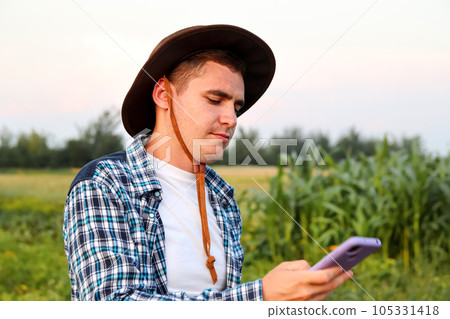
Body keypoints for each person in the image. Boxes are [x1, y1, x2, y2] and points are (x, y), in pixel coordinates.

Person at [63, 24, 353, 301]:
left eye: (236, 106)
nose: (232, 119)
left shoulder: (221, 195)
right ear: (164, 95)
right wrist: (260, 296)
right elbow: (113, 303)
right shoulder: (105, 184)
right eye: (215, 100)